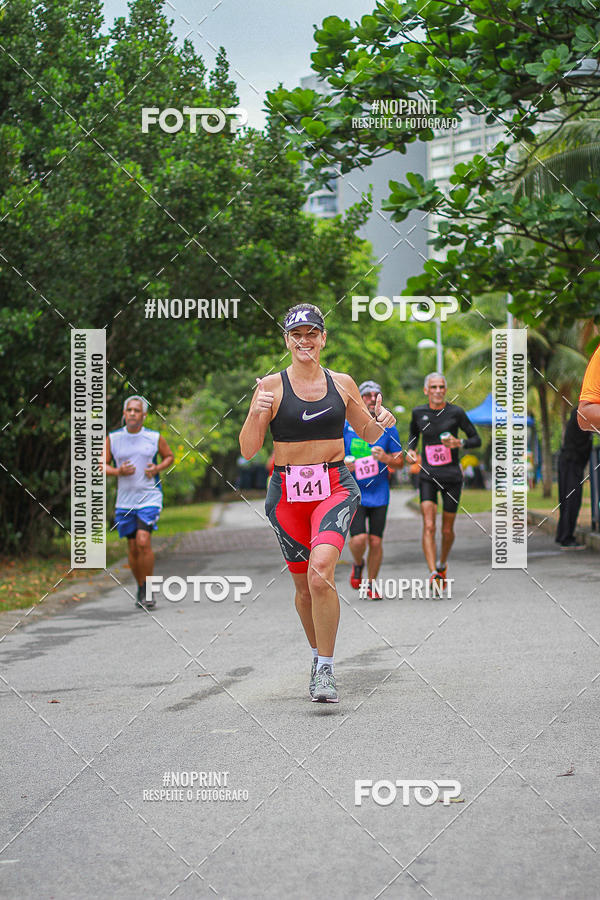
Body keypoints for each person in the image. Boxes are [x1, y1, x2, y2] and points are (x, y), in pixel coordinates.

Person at [239, 303, 396, 703]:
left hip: (334, 485)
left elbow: (369, 432)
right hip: (287, 493)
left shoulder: (342, 383)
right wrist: (256, 414)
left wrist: (384, 421)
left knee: (320, 572)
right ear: (287, 340)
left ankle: (326, 668)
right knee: (304, 589)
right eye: (297, 334)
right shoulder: (270, 388)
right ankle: (315, 656)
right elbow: (248, 450)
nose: (305, 340)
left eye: (312, 333)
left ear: (323, 338)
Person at [406, 373, 481, 593]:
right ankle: (433, 573)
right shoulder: (418, 413)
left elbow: (476, 439)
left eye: (441, 387)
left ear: (445, 390)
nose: (438, 390)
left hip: (452, 477)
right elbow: (413, 435)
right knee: (429, 525)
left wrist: (461, 442)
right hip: (428, 476)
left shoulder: (456, 413)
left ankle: (442, 563)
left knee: (447, 530)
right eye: (433, 387)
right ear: (426, 390)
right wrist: (411, 449)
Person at [103, 396, 174, 609]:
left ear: (143, 415)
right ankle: (141, 586)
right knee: (133, 547)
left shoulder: (154, 437)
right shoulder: (113, 438)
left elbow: (169, 456)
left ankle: (149, 589)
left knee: (144, 541)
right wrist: (118, 471)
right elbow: (101, 465)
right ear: (124, 414)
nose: (133, 413)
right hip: (124, 502)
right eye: (129, 410)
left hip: (150, 497)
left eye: (137, 411)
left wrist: (157, 469)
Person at [343, 380, 404, 599]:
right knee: (359, 540)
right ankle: (358, 563)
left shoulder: (389, 427)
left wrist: (386, 458)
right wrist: (344, 463)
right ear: (359, 399)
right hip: (353, 492)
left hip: (379, 492)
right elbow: (332, 456)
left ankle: (371, 584)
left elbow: (400, 461)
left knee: (376, 540)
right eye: (366, 395)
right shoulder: (346, 425)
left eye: (375, 394)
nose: (371, 398)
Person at [555, 408, 591, 549]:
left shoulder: (578, 412)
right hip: (572, 462)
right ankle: (566, 538)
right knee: (572, 499)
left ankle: (562, 535)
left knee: (566, 499)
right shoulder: (583, 413)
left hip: (568, 461)